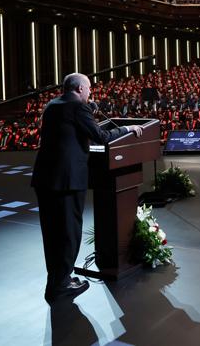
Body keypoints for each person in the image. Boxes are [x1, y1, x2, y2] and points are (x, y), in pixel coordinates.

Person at [31, 73, 143, 303]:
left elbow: (69, 125)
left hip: (45, 179)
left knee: (52, 234)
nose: (91, 92)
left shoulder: (52, 105)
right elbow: (101, 136)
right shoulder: (78, 108)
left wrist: (88, 109)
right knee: (68, 233)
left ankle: (56, 281)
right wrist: (129, 128)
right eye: (89, 88)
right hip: (68, 181)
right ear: (80, 88)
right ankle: (61, 286)